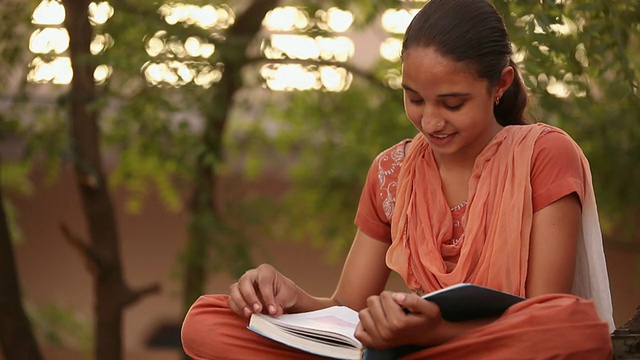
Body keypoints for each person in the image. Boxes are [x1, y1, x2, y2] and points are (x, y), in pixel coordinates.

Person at [181, 0, 615, 359]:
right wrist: (288, 298)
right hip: (403, 349)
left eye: (452, 103)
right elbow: (346, 311)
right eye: (414, 98)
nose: (430, 121)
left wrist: (438, 332)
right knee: (207, 319)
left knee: (572, 327)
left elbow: (543, 313)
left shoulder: (544, 153)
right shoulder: (391, 171)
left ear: (500, 84)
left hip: (483, 347)